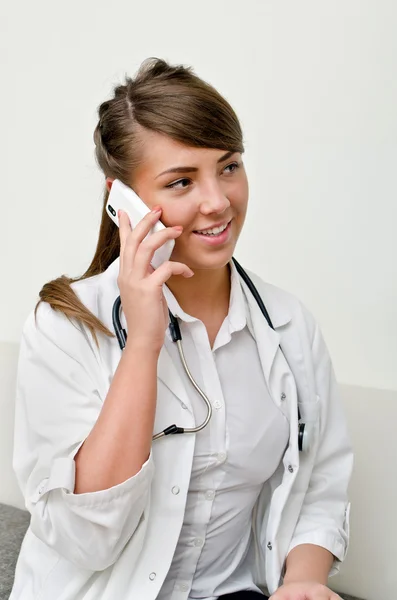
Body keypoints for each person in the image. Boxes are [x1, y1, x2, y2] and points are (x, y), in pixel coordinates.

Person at [10, 58, 352, 600]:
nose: (217, 201)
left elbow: (322, 483)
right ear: (121, 198)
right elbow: (86, 539)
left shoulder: (289, 326)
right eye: (181, 181)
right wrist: (143, 344)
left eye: (230, 166)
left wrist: (304, 580)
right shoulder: (65, 325)